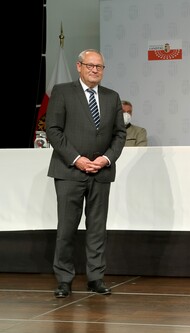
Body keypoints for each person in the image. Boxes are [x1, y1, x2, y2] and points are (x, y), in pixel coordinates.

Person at [46, 49, 126, 298]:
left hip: (100, 173)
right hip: (69, 171)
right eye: (90, 65)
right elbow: (53, 130)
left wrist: (105, 158)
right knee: (67, 228)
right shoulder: (62, 92)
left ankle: (95, 278)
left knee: (97, 229)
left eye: (100, 67)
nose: (95, 70)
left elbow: (119, 134)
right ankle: (64, 279)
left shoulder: (112, 97)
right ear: (79, 66)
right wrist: (77, 159)